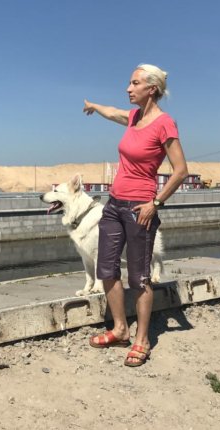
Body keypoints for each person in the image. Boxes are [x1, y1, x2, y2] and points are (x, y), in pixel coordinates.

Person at [82, 64, 188, 367]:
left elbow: (181, 171)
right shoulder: (133, 117)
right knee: (106, 269)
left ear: (151, 89)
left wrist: (155, 203)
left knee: (139, 277)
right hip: (114, 204)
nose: (128, 88)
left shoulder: (164, 124)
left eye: (134, 83)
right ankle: (120, 330)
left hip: (140, 207)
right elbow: (113, 112)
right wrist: (93, 106)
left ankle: (142, 339)